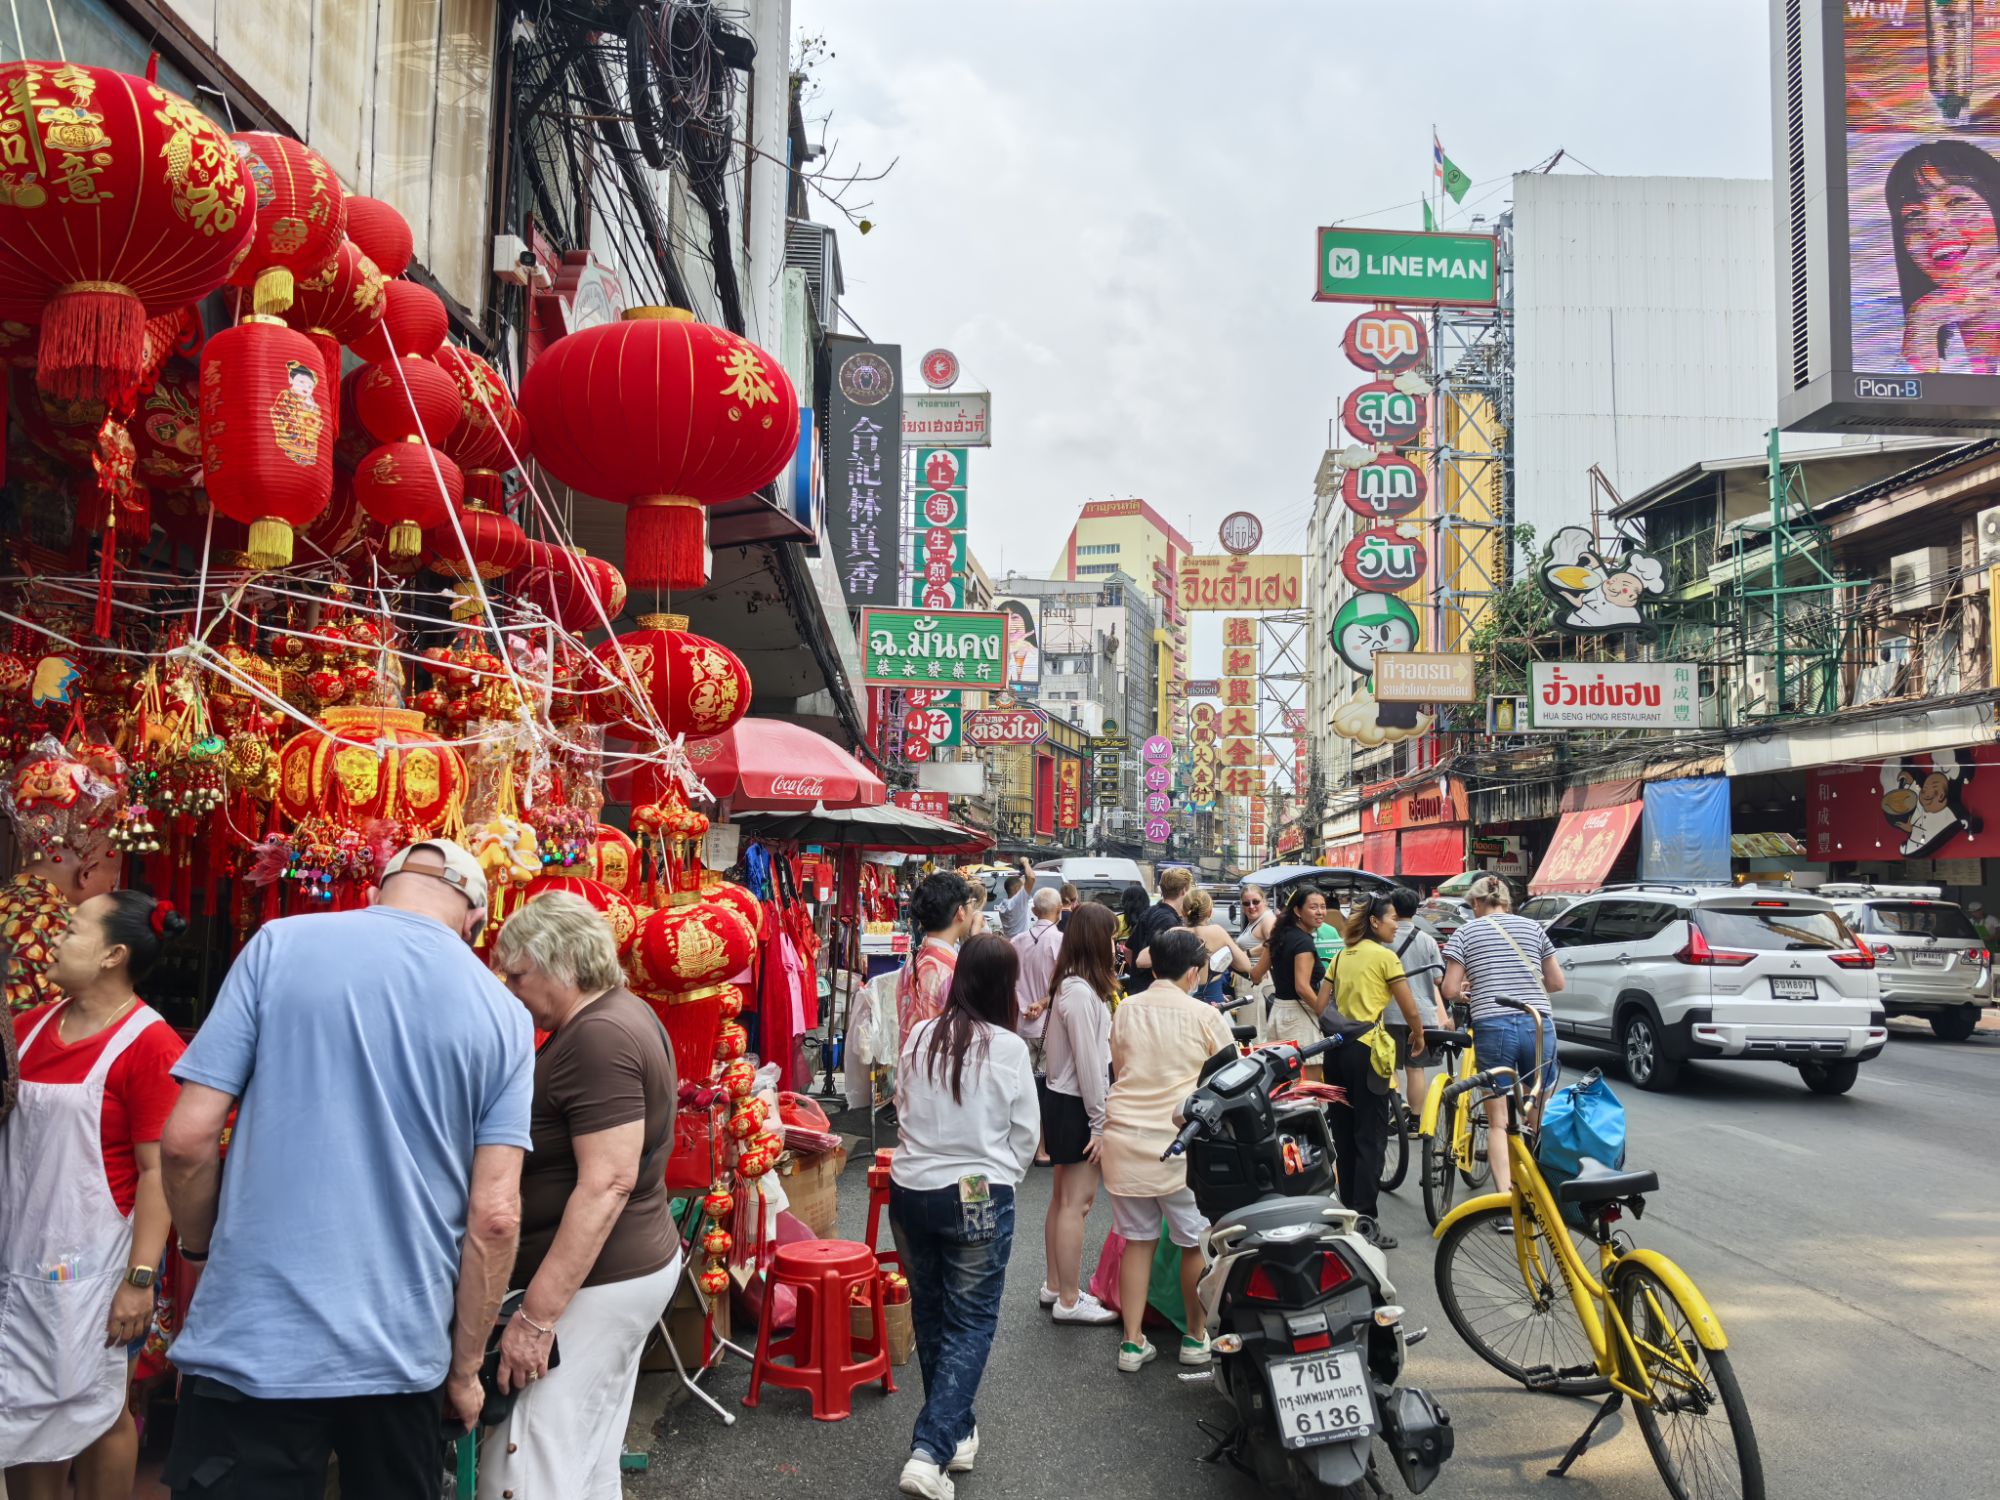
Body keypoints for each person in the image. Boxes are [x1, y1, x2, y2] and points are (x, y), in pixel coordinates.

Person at [159, 841, 533, 1495]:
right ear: (475, 919)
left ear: (377, 892)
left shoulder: (279, 947)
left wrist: (197, 1247)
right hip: (403, 1355)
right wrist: (464, 1371)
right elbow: (495, 1218)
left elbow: (187, 1140)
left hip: (255, 1342)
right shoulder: (503, 1014)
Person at [480, 892, 679, 1499]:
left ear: (562, 964)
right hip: (615, 1273)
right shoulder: (616, 1015)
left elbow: (608, 1182)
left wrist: (536, 1318)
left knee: (529, 1463)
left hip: (596, 1282)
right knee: (585, 1460)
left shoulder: (600, 1038)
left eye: (518, 974)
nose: (509, 988)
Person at [1, 892, 186, 1498]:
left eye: (72, 930)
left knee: (99, 1405)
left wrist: (139, 1278)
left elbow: (158, 1172)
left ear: (113, 954)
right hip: (18, 1255)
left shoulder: (151, 1045)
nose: (54, 940)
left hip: (94, 1266)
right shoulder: (26, 1031)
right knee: (22, 1406)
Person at [891, 934, 1039, 1500]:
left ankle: (957, 1430)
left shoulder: (923, 1034)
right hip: (977, 1190)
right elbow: (1026, 1134)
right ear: (1005, 985)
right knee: (971, 1320)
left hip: (911, 1187)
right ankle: (930, 1451)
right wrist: (1003, 1175)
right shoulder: (1007, 1047)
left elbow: (901, 1103)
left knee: (932, 1315)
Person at [1101, 927, 1236, 1373]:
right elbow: (1228, 1079)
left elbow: (1119, 1069)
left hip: (1123, 1137)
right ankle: (1195, 1338)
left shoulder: (1127, 1011)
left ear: (1154, 965)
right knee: (1192, 1242)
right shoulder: (1205, 1015)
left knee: (1136, 1241)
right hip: (1180, 1144)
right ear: (1195, 972)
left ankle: (1132, 1343)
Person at [1439, 875, 1565, 1203]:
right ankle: (1542, 1196)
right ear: (1506, 901)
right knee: (1538, 1114)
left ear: (1478, 903)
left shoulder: (1466, 932)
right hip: (1538, 1024)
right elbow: (1556, 983)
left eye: (1471, 906)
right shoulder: (1534, 929)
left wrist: (1471, 994)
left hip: (1493, 1027)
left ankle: (1506, 1203)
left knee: (1498, 1122)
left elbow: (1450, 990)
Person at [1327, 893, 1428, 1247]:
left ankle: (1347, 1213)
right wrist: (1418, 1035)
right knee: (1370, 1136)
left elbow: (1323, 1001)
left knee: (1343, 1132)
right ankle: (1366, 1219)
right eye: (1391, 920)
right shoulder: (1385, 957)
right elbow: (1409, 1007)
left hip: (1335, 1051)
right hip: (1368, 1052)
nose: (1395, 926)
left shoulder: (1341, 956)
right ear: (1374, 922)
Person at [1036, 903, 1119, 1326]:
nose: (1115, 943)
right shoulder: (1082, 993)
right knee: (1076, 1204)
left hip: (1060, 1098)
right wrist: (1101, 1122)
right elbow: (1090, 1064)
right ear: (1095, 939)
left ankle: (1056, 1285)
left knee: (1062, 1200)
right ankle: (1069, 1298)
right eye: (1111, 935)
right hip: (1076, 1102)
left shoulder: (1069, 985)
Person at [1886, 140, 2000, 373]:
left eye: (1956, 201)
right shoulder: (1876, 330)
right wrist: (1923, 323)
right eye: (1914, 214)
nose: (1932, 225)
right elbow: (1900, 407)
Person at [1387, 888, 1451, 1120]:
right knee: (1416, 1068)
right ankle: (1415, 1121)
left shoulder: (1385, 939)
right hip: (1422, 1013)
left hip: (1390, 1013)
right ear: (1416, 910)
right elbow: (1437, 979)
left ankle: (1397, 1106)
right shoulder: (1427, 941)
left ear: (1392, 908)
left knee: (1388, 1065)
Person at [898, 870, 983, 1039]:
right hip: (939, 1062)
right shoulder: (949, 968)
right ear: (960, 912)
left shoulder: (915, 960)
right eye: (970, 903)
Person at [1257, 887, 1333, 1049]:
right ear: (1298, 911)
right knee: (1309, 1073)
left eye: (1323, 906)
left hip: (1278, 1012)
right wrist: (1325, 1013)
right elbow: (1302, 988)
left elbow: (1256, 974)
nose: (1320, 912)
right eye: (1313, 907)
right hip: (1299, 1018)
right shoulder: (1303, 942)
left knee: (1285, 1073)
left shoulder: (1279, 936)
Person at [1011, 888, 1064, 1073]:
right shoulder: (1061, 941)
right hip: (1051, 1027)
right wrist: (1042, 1002)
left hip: (1020, 1026)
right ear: (1060, 909)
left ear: (1034, 911)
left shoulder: (1016, 941)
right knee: (1046, 1087)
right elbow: (1066, 986)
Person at [1123, 866, 1192, 989]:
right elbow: (1144, 960)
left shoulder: (1150, 912)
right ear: (1183, 891)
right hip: (1155, 991)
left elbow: (1128, 949)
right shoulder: (1168, 921)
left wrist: (1137, 973)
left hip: (1139, 988)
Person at [1182, 888, 1252, 1004]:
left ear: (1183, 911)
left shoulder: (1173, 932)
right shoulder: (1217, 932)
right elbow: (1246, 965)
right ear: (1210, 913)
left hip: (1182, 1004)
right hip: (1212, 1003)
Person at [990, 856, 1036, 940]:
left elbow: (1025, 880)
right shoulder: (1017, 903)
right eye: (1022, 887)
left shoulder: (1004, 905)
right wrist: (1025, 862)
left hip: (1011, 944)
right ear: (1016, 889)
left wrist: (1023, 872)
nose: (1024, 889)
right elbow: (1031, 878)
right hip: (1021, 945)